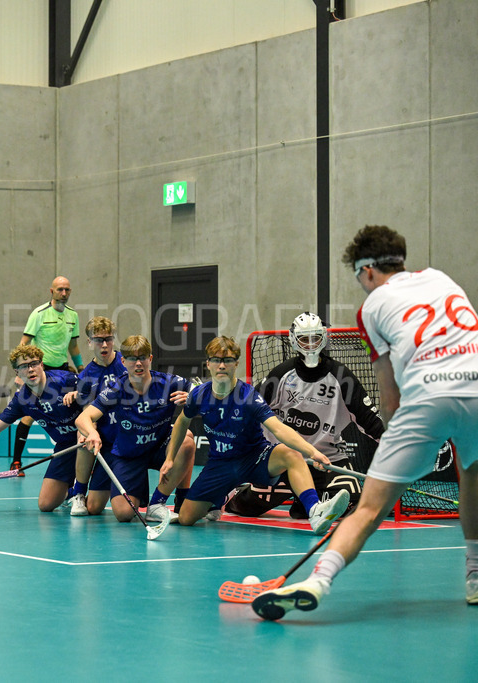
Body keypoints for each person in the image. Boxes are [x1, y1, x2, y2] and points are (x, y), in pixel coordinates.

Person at [253, 225, 478, 619]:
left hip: (426, 398)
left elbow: (389, 399)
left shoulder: (372, 308)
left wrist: (404, 445)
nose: (361, 284)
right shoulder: (442, 279)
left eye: (358, 277)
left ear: (368, 269)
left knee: (370, 510)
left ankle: (317, 580)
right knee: (472, 477)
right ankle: (475, 575)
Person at [158, 336, 348, 535]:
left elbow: (278, 428)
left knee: (290, 454)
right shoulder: (199, 394)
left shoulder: (248, 396)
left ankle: (315, 511)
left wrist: (312, 452)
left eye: (228, 360)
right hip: (219, 465)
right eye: (216, 360)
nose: (221, 365)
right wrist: (170, 458)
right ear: (208, 364)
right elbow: (181, 421)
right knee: (187, 518)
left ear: (236, 364)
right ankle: (220, 497)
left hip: (254, 457)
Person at [226, 312, 384, 519]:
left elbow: (369, 421)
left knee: (350, 495)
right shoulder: (281, 374)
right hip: (284, 458)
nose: (310, 345)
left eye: (315, 338)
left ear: (323, 338)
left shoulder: (341, 377)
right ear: (294, 340)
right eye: (304, 339)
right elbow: (250, 407)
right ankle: (235, 492)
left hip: (327, 459)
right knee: (251, 506)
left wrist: (395, 445)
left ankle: (304, 505)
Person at [0, 344, 92, 513]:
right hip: (65, 447)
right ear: (17, 373)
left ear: (42, 365)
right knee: (45, 504)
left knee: (97, 505)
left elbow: (94, 395)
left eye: (34, 364)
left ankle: (81, 490)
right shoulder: (22, 399)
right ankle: (70, 491)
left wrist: (80, 402)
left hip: (90, 439)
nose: (30, 369)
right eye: (24, 366)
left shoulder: (65, 380)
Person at [75, 333, 197, 524]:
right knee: (123, 514)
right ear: (123, 361)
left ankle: (157, 504)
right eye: (132, 359)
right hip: (128, 454)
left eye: (142, 358)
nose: (138, 364)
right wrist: (91, 432)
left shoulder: (168, 382)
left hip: (159, 446)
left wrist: (192, 397)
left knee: (187, 441)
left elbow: (204, 390)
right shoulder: (116, 388)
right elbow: (83, 418)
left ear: (150, 359)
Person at [11, 276, 84, 474]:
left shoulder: (73, 316)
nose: (64, 293)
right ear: (51, 291)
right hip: (40, 371)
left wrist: (81, 369)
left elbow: (73, 346)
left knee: (74, 412)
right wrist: (21, 371)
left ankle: (79, 461)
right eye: (60, 289)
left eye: (67, 289)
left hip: (62, 372)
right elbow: (24, 342)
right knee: (28, 417)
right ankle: (16, 462)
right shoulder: (39, 313)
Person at [59, 317, 124, 515]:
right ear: (89, 343)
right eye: (98, 340)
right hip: (104, 438)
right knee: (94, 508)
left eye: (108, 339)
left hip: (126, 434)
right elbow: (88, 412)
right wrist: (89, 430)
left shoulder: (125, 363)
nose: (104, 345)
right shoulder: (86, 375)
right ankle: (78, 493)